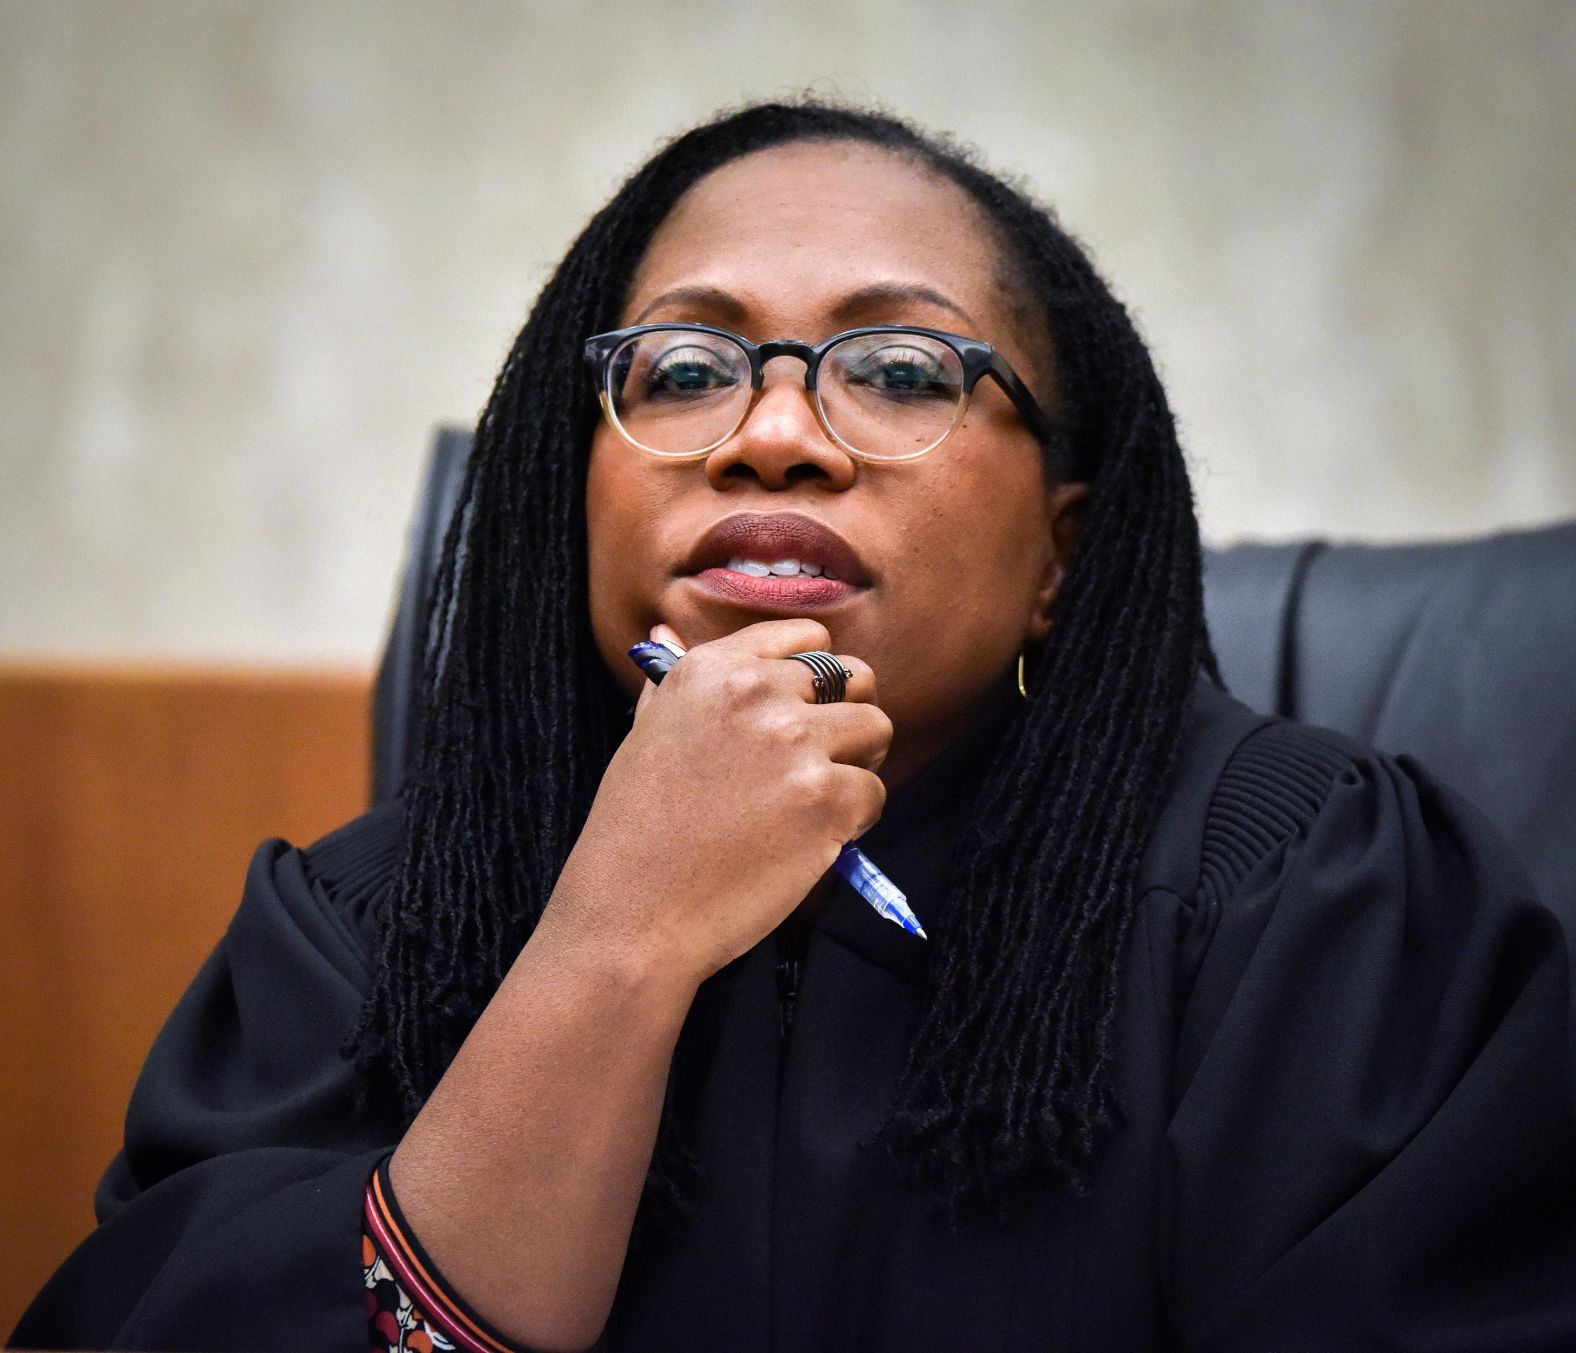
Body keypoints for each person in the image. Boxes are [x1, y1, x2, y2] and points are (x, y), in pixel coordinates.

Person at [13, 101, 1575, 1353]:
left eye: (899, 368)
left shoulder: (1319, 899)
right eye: (684, 367)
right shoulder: (359, 929)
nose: (770, 434)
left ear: (1062, 555)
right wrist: (612, 940)